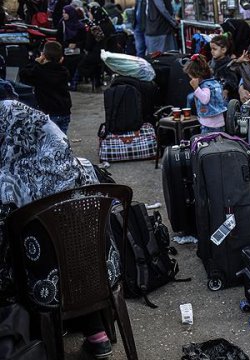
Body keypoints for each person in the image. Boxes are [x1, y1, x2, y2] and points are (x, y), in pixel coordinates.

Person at [0, 100, 116, 360]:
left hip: (49, 279)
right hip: (99, 271)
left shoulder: (9, 179)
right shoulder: (74, 164)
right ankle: (96, 333)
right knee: (66, 247)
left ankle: (33, 335)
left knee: (18, 254)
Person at [18, 41, 72, 133]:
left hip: (48, 112)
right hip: (64, 112)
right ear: (61, 59)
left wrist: (36, 62)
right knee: (62, 140)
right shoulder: (64, 71)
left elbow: (23, 74)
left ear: (43, 56)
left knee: (47, 142)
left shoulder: (39, 72)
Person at [184, 54, 227, 133]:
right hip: (219, 122)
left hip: (209, 125)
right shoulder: (214, 83)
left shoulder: (205, 86)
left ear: (197, 76)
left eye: (191, 77)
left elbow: (205, 99)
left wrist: (196, 88)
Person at [80, 3, 115, 89]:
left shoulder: (94, 27)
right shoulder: (109, 23)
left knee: (81, 62)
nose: (89, 14)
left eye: (90, 13)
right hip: (110, 51)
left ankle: (82, 82)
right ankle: (98, 79)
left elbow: (89, 45)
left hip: (98, 54)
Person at [58, 4, 86, 91]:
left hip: (77, 50)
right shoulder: (62, 24)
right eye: (63, 13)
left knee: (79, 59)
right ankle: (68, 81)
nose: (64, 15)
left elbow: (84, 40)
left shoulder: (80, 26)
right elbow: (58, 39)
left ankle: (74, 82)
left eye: (65, 13)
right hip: (65, 49)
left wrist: (76, 45)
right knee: (65, 60)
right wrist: (66, 45)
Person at [208, 35, 239, 102]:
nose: (212, 51)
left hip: (224, 94)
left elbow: (232, 81)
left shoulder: (229, 64)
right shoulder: (210, 63)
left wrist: (226, 90)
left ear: (223, 50)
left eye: (214, 49)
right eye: (211, 49)